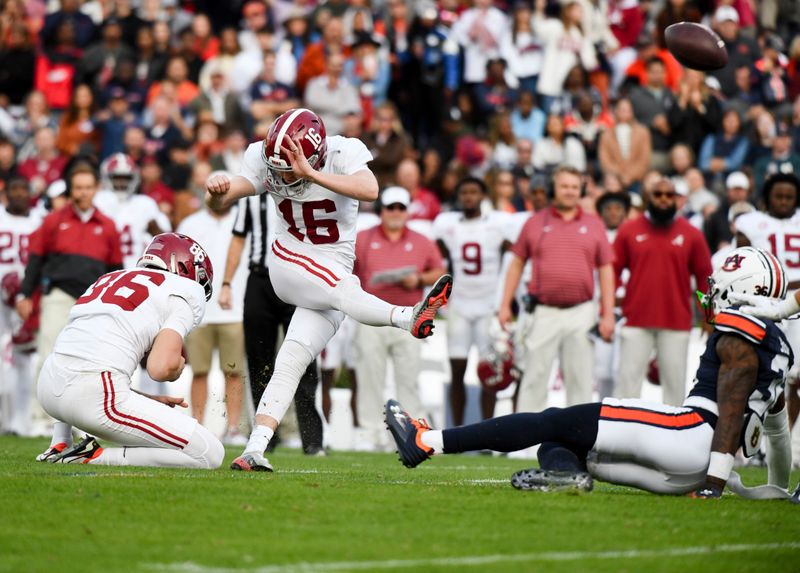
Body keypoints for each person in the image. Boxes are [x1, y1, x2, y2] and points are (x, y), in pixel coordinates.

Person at [386, 246, 794, 500]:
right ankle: (567, 479)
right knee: (560, 440)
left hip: (692, 437)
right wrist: (780, 488)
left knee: (555, 418)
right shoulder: (778, 347)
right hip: (689, 468)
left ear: (742, 290)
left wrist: (715, 483)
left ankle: (427, 441)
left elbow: (732, 400)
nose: (710, 295)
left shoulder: (742, 333)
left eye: (718, 287)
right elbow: (775, 434)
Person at [205, 108, 452, 471]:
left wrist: (311, 173)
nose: (284, 175)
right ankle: (406, 317)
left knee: (291, 361)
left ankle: (254, 449)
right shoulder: (263, 156)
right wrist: (217, 193)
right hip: (288, 260)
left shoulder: (342, 152)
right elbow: (228, 197)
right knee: (344, 289)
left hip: (331, 272)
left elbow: (370, 189)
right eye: (280, 169)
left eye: (291, 167)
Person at [35, 233, 224, 469]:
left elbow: (82, 351)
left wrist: (142, 399)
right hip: (96, 398)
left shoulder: (110, 277)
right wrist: (175, 369)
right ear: (187, 268)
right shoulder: (186, 290)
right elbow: (159, 368)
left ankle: (60, 442)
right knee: (210, 453)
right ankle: (92, 457)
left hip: (48, 387)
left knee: (75, 353)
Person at [498, 164, 615, 416]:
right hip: (543, 311)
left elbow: (606, 269)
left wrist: (607, 314)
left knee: (580, 380)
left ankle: (578, 445)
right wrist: (505, 304)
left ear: (581, 190)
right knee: (533, 378)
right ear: (553, 189)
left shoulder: (594, 224)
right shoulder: (534, 222)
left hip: (581, 312)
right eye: (564, 186)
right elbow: (516, 263)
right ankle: (524, 446)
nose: (570, 192)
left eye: (574, 187)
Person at [221, 187, 325, 455]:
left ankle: (312, 440)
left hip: (296, 279)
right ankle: (266, 436)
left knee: (304, 357)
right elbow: (238, 239)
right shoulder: (252, 198)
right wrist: (226, 283)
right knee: (258, 360)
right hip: (260, 281)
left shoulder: (306, 191)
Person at [352, 186, 447, 449]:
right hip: (371, 316)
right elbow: (348, 271)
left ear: (407, 212)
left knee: (409, 377)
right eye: (390, 207)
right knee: (369, 375)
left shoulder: (421, 240)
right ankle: (369, 433)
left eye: (400, 208)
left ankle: (411, 433)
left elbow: (439, 270)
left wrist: (418, 279)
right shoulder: (362, 238)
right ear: (381, 210)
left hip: (409, 317)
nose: (395, 213)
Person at [17, 163, 122, 384]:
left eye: (88, 187)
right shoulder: (54, 220)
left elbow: (115, 269)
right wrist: (25, 294)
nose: (83, 192)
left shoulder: (108, 225)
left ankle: (80, 417)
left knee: (90, 362)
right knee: (49, 356)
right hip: (58, 295)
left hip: (93, 302)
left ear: (96, 189)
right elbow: (35, 259)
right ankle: (41, 418)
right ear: (71, 190)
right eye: (78, 187)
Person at [613, 177, 713, 406]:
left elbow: (705, 279)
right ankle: (619, 439)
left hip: (676, 321)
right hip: (636, 319)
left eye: (669, 195)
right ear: (649, 198)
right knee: (626, 387)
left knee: (675, 388)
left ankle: (672, 437)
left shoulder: (691, 234)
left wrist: (707, 315)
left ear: (677, 199)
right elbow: (612, 270)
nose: (664, 200)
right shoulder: (629, 230)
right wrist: (614, 302)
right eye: (658, 195)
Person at [433, 178, 512, 424]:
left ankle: (487, 432)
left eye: (473, 192)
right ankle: (456, 429)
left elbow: (512, 255)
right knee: (457, 370)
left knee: (489, 374)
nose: (468, 196)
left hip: (489, 306)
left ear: (483, 196)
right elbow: (441, 256)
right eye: (464, 192)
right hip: (460, 304)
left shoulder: (498, 223)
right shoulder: (447, 224)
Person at [176, 194, 247, 445]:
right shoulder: (190, 224)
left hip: (234, 309)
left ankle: (234, 427)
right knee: (199, 371)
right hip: (200, 311)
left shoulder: (242, 219)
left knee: (233, 371)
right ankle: (196, 425)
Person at [0, 179, 42, 435]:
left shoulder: (39, 221)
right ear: (6, 194)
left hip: (26, 298)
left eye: (23, 190)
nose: (18, 194)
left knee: (24, 358)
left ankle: (20, 420)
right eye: (14, 190)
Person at [93, 153, 171, 270]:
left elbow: (166, 240)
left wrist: (155, 231)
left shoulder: (145, 203)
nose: (122, 183)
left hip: (138, 268)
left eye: (126, 178)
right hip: (105, 266)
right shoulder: (99, 201)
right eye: (117, 178)